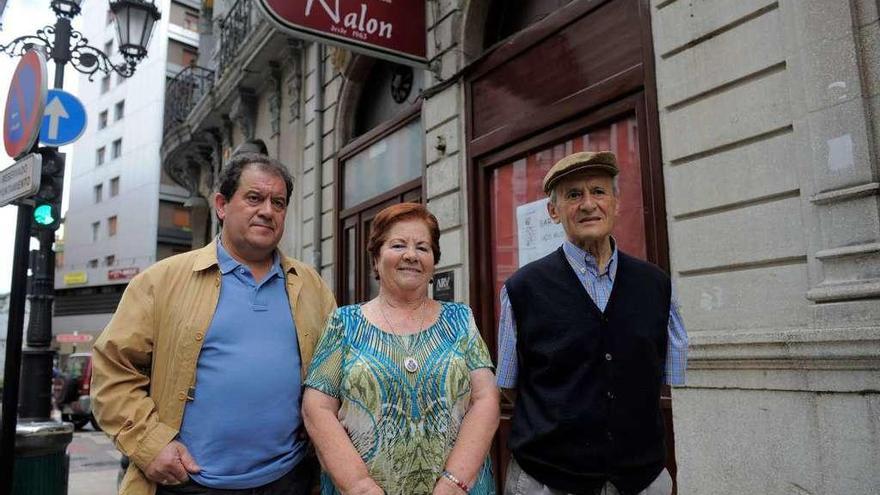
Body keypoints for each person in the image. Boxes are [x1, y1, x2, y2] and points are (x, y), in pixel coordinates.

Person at [91, 152, 337, 495]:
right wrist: (149, 444)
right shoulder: (161, 282)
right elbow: (112, 371)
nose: (267, 210)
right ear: (222, 205)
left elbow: (336, 371)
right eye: (254, 198)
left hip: (291, 478)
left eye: (278, 203)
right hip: (190, 483)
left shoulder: (311, 286)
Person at [497, 151, 689, 495]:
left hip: (640, 479)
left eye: (599, 192)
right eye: (573, 195)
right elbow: (509, 385)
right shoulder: (522, 289)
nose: (588, 204)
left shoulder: (656, 284)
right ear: (553, 212)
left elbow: (665, 377)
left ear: (616, 202)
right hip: (549, 480)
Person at [303, 203, 500, 495]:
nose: (411, 255)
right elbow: (316, 408)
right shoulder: (344, 323)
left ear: (433, 262)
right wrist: (360, 486)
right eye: (398, 245)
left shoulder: (460, 319)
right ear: (376, 258)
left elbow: (486, 399)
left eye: (423, 247)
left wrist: (453, 483)